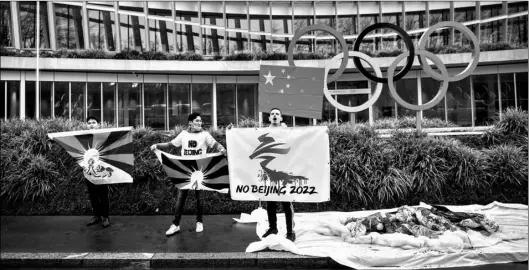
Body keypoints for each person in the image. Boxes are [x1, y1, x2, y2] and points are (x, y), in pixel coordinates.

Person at [151, 112, 227, 236]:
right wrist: (157, 146)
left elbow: (215, 144)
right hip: (185, 170)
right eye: (197, 121)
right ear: (190, 122)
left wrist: (222, 149)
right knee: (181, 198)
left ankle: (199, 222)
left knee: (199, 198)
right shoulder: (184, 135)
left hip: (199, 171)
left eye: (200, 121)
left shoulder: (205, 135)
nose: (200, 123)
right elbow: (171, 144)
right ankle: (175, 224)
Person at [261, 108, 295, 242]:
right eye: (272, 114)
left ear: (281, 118)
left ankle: (290, 231)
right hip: (270, 171)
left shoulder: (287, 132)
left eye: (277, 114)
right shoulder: (264, 132)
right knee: (271, 202)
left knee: (287, 202)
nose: (275, 115)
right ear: (269, 118)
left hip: (284, 171)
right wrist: (231, 131)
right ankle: (273, 228)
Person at [85, 116, 111, 228]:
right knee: (92, 195)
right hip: (88, 170)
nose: (91, 124)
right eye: (89, 123)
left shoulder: (103, 137)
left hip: (101, 170)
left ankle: (105, 217)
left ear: (98, 124)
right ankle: (96, 215)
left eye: (93, 122)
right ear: (86, 125)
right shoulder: (83, 138)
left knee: (103, 195)